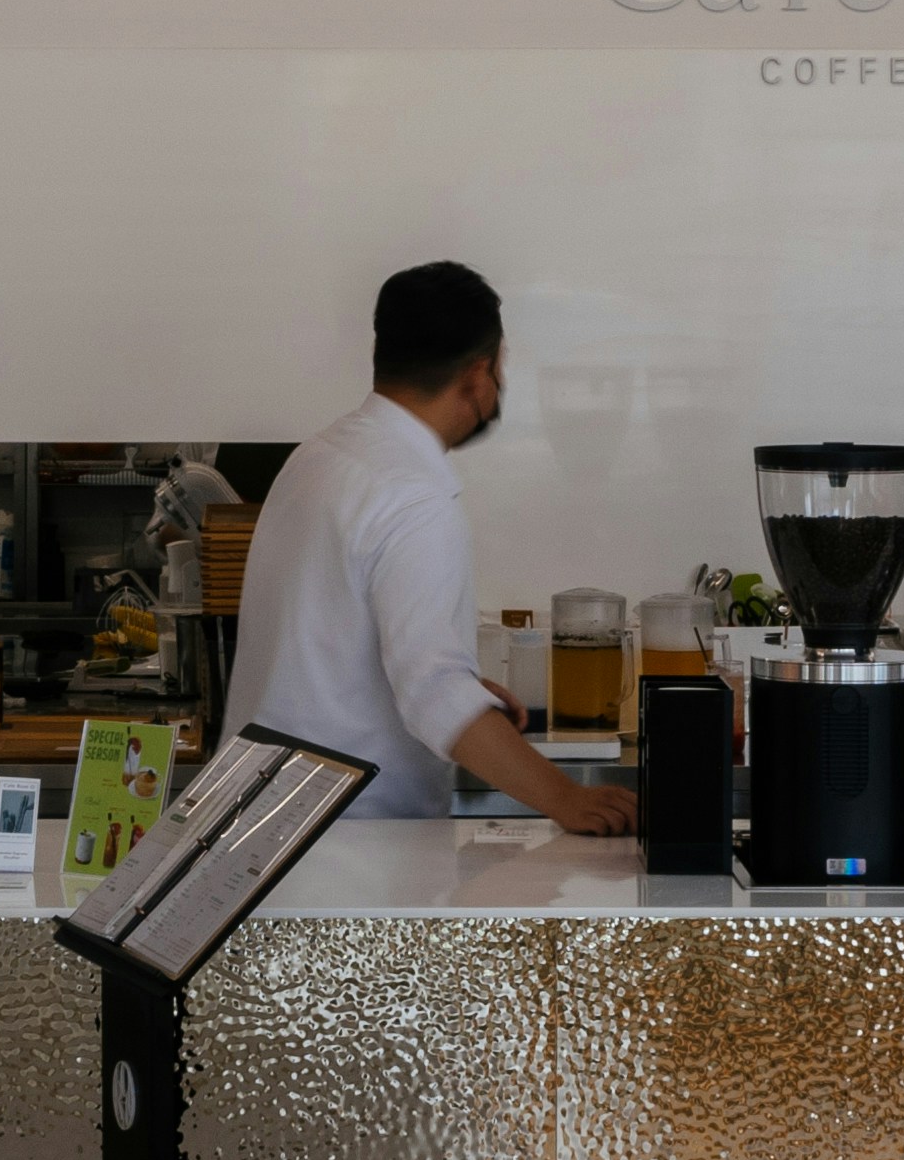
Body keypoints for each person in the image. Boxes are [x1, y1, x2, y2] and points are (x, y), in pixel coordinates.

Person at [224, 261, 639, 832]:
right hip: (348, 845)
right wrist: (569, 799)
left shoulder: (316, 458)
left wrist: (460, 688)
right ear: (478, 375)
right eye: (502, 366)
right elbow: (435, 697)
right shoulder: (415, 501)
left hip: (252, 824)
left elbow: (322, 648)